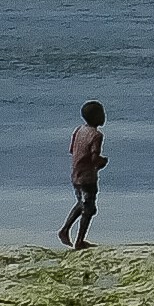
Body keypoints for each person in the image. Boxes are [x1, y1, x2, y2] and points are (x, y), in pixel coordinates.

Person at [58, 100, 105, 249]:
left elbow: (73, 150)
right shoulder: (96, 135)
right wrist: (102, 162)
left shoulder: (79, 130)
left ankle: (65, 230)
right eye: (102, 114)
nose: (104, 116)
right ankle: (79, 241)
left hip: (76, 174)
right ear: (96, 117)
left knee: (82, 203)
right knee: (89, 208)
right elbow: (94, 157)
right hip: (88, 177)